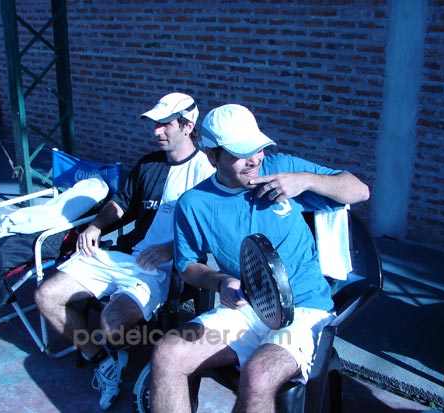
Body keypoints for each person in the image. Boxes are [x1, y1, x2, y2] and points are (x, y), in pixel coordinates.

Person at [150, 104, 370, 413]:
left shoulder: (281, 169)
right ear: (212, 156)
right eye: (240, 153)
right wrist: (220, 281)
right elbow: (187, 266)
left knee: (259, 375)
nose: (254, 159)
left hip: (303, 309)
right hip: (245, 309)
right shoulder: (194, 204)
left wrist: (305, 181)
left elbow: (360, 191)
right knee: (167, 354)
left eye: (257, 148)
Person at [34, 92, 215, 410]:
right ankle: (104, 361)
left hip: (162, 268)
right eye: (155, 124)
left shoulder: (207, 173)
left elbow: (214, 233)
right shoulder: (148, 163)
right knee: (46, 295)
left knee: (111, 324)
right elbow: (121, 204)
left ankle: (120, 348)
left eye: (165, 124)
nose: (156, 131)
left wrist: (172, 249)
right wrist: (95, 227)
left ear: (187, 126)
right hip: (123, 252)